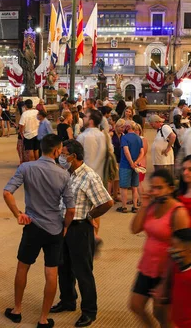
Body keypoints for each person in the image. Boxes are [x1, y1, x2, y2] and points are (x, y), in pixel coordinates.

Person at [3, 134, 76, 328]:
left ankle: (17, 309)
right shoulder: (63, 174)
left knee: (23, 266)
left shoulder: (26, 168)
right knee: (51, 272)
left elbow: (7, 192)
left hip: (32, 225)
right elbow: (70, 209)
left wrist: (18, 213)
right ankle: (43, 318)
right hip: (54, 228)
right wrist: (66, 226)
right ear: (56, 151)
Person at [50, 139, 113, 327]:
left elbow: (107, 202)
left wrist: (90, 215)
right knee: (64, 267)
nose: (61, 157)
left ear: (73, 157)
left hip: (80, 228)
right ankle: (68, 300)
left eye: (63, 154)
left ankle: (89, 311)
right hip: (63, 226)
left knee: (82, 270)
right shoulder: (66, 173)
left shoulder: (89, 176)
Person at [129, 169, 190, 327]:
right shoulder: (151, 206)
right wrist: (144, 206)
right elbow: (135, 229)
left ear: (170, 188)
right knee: (135, 305)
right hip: (147, 266)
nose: (155, 192)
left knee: (162, 314)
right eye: (152, 187)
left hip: (166, 271)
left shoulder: (178, 212)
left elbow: (181, 250)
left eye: (159, 188)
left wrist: (165, 283)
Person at [118, 120, 144, 213]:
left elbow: (126, 151)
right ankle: (135, 206)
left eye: (124, 126)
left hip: (125, 165)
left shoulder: (124, 138)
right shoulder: (139, 138)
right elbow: (142, 152)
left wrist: (131, 163)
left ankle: (124, 207)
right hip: (136, 166)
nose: (123, 128)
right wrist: (136, 162)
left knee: (124, 187)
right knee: (134, 186)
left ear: (128, 127)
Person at [76, 109, 106, 181]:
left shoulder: (83, 136)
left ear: (91, 121)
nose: (83, 118)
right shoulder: (102, 136)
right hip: (99, 175)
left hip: (84, 175)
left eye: (86, 117)